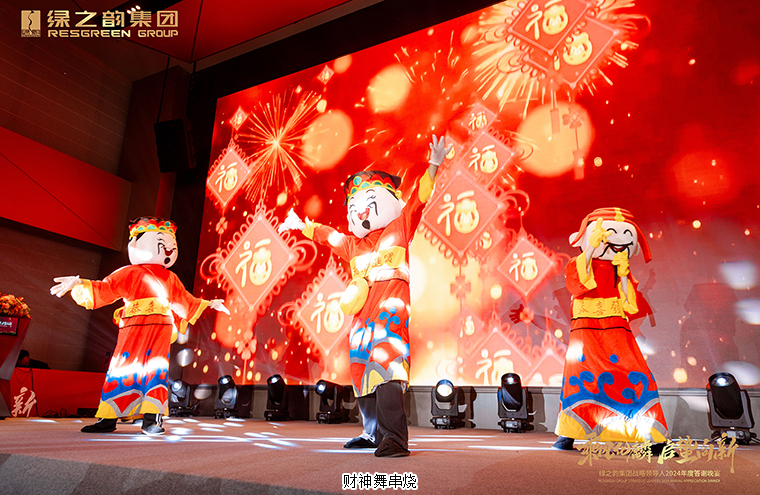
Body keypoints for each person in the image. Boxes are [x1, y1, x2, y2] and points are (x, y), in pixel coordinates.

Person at [279, 135, 451, 457]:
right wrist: (302, 226)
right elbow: (329, 236)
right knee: (362, 375)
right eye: (354, 206)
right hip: (361, 324)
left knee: (387, 371)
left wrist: (433, 166)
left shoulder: (399, 226)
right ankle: (371, 433)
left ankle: (395, 438)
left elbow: (419, 198)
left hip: (390, 317)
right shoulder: (353, 245)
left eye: (369, 201)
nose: (361, 210)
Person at [50, 217, 229, 435]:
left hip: (160, 328)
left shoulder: (170, 277)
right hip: (132, 327)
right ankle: (107, 417)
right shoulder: (129, 273)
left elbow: (185, 301)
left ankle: (152, 419)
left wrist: (210, 304)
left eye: (171, 244)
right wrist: (80, 284)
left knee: (156, 370)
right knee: (121, 368)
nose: (168, 248)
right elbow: (105, 289)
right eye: (162, 243)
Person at [553, 208, 669, 451]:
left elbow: (630, 304)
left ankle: (654, 437)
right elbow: (578, 286)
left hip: (616, 329)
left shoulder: (619, 268)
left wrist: (624, 273)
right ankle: (568, 434)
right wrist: (591, 250)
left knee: (636, 374)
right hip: (586, 331)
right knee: (580, 379)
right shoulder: (577, 263)